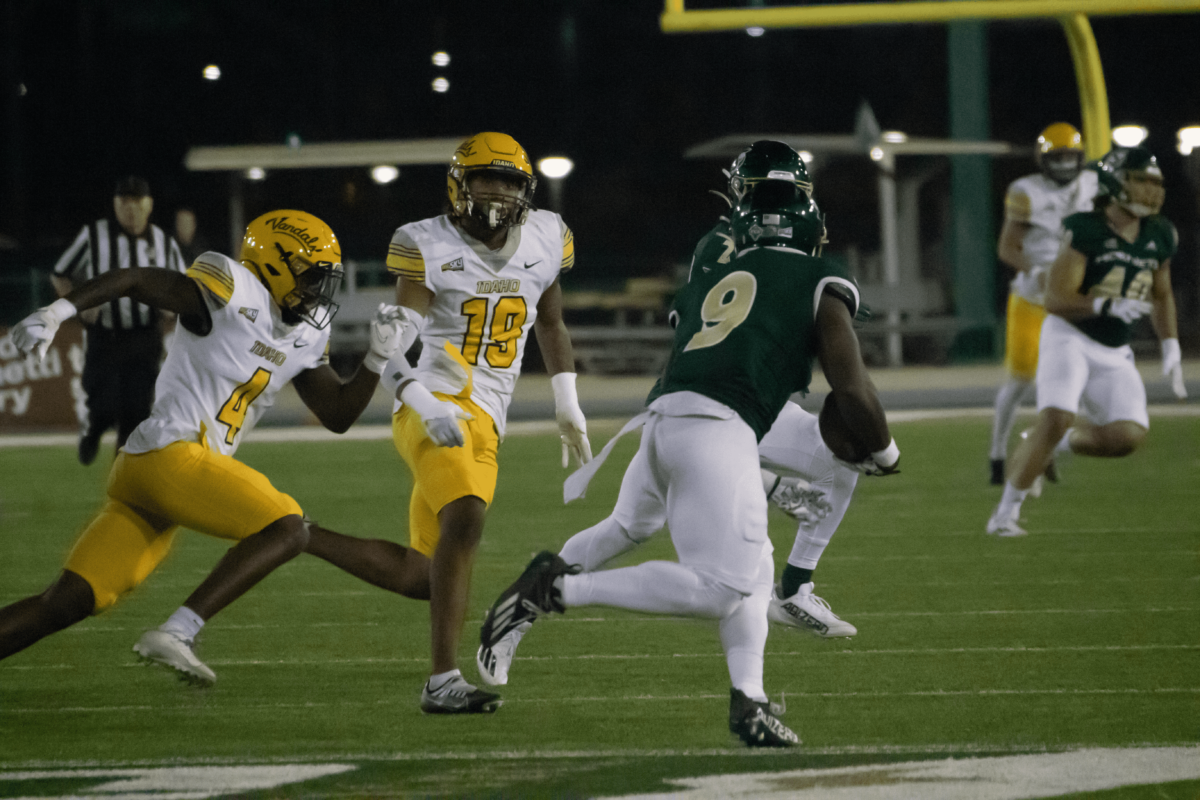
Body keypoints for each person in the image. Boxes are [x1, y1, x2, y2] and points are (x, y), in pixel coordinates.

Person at [478, 162, 899, 747]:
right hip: (719, 424)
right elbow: (849, 387)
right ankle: (554, 589)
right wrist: (882, 451)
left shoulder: (715, 256)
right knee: (724, 586)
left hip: (672, 414)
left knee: (704, 555)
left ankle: (749, 701)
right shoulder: (815, 275)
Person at [1, 210, 405, 684]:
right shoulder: (232, 287)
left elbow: (337, 415)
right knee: (287, 526)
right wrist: (59, 311)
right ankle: (179, 631)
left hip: (161, 475)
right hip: (171, 451)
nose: (318, 291)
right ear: (274, 264)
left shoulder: (306, 331)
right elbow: (135, 279)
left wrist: (377, 359)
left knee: (68, 600)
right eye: (311, 276)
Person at [302, 132, 591, 715]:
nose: (497, 191)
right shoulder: (425, 244)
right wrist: (422, 400)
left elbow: (551, 323)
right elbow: (391, 346)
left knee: (424, 575)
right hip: (432, 404)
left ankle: (298, 535)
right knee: (467, 513)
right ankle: (442, 681)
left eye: (509, 181)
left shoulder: (546, 235)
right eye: (485, 178)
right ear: (460, 185)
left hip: (489, 418)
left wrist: (568, 401)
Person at [987, 146, 1186, 537]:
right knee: (1057, 416)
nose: (1153, 190)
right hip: (1070, 337)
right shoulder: (1086, 228)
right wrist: (1105, 303)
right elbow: (1056, 300)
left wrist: (1170, 344)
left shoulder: (1160, 233)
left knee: (1127, 436)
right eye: (1141, 180)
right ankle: (1005, 514)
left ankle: (1049, 445)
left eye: (1156, 183)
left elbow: (1162, 293)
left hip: (1114, 349)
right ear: (1115, 182)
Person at [51, 176, 188, 466]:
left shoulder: (163, 242)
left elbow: (182, 285)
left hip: (144, 337)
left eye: (137, 202)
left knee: (136, 410)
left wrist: (172, 306)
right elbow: (59, 272)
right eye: (124, 202)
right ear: (115, 205)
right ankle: (95, 429)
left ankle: (122, 475)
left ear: (149, 206)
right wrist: (78, 306)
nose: (130, 209)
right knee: (102, 404)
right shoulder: (94, 235)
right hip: (106, 336)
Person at [988, 124, 1098, 485]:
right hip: (1033, 298)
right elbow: (1007, 247)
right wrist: (1035, 269)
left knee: (1074, 382)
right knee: (1020, 381)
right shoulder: (1027, 191)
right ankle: (998, 456)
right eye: (1059, 156)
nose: (1066, 164)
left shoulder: (1094, 187)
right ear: (1043, 159)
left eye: (1070, 156)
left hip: (1070, 299)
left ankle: (1041, 447)